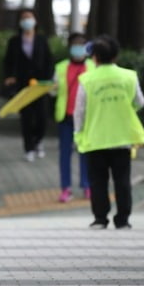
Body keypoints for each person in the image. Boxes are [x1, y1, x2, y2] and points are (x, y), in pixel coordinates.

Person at [73, 35, 144, 230]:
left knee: (98, 180)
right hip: (122, 137)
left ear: (94, 57)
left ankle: (100, 218)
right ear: (115, 56)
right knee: (122, 179)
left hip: (95, 138)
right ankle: (122, 219)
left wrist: (77, 132)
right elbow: (140, 102)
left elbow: (79, 110)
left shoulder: (87, 79)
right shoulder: (129, 76)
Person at [2, 9, 54, 162]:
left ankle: (38, 140)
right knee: (26, 117)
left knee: (41, 117)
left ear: (35, 21)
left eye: (29, 18)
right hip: (22, 84)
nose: (27, 21)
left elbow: (49, 61)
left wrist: (48, 80)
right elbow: (8, 61)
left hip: (40, 85)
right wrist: (9, 77)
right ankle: (29, 147)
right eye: (24, 18)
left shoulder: (41, 40)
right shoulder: (14, 41)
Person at [54, 33, 95, 203]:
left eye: (81, 44)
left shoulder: (93, 66)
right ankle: (66, 188)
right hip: (66, 116)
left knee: (85, 152)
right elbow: (53, 91)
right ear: (70, 47)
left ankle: (87, 185)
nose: (78, 48)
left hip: (86, 117)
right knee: (65, 154)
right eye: (75, 44)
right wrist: (51, 88)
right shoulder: (61, 67)